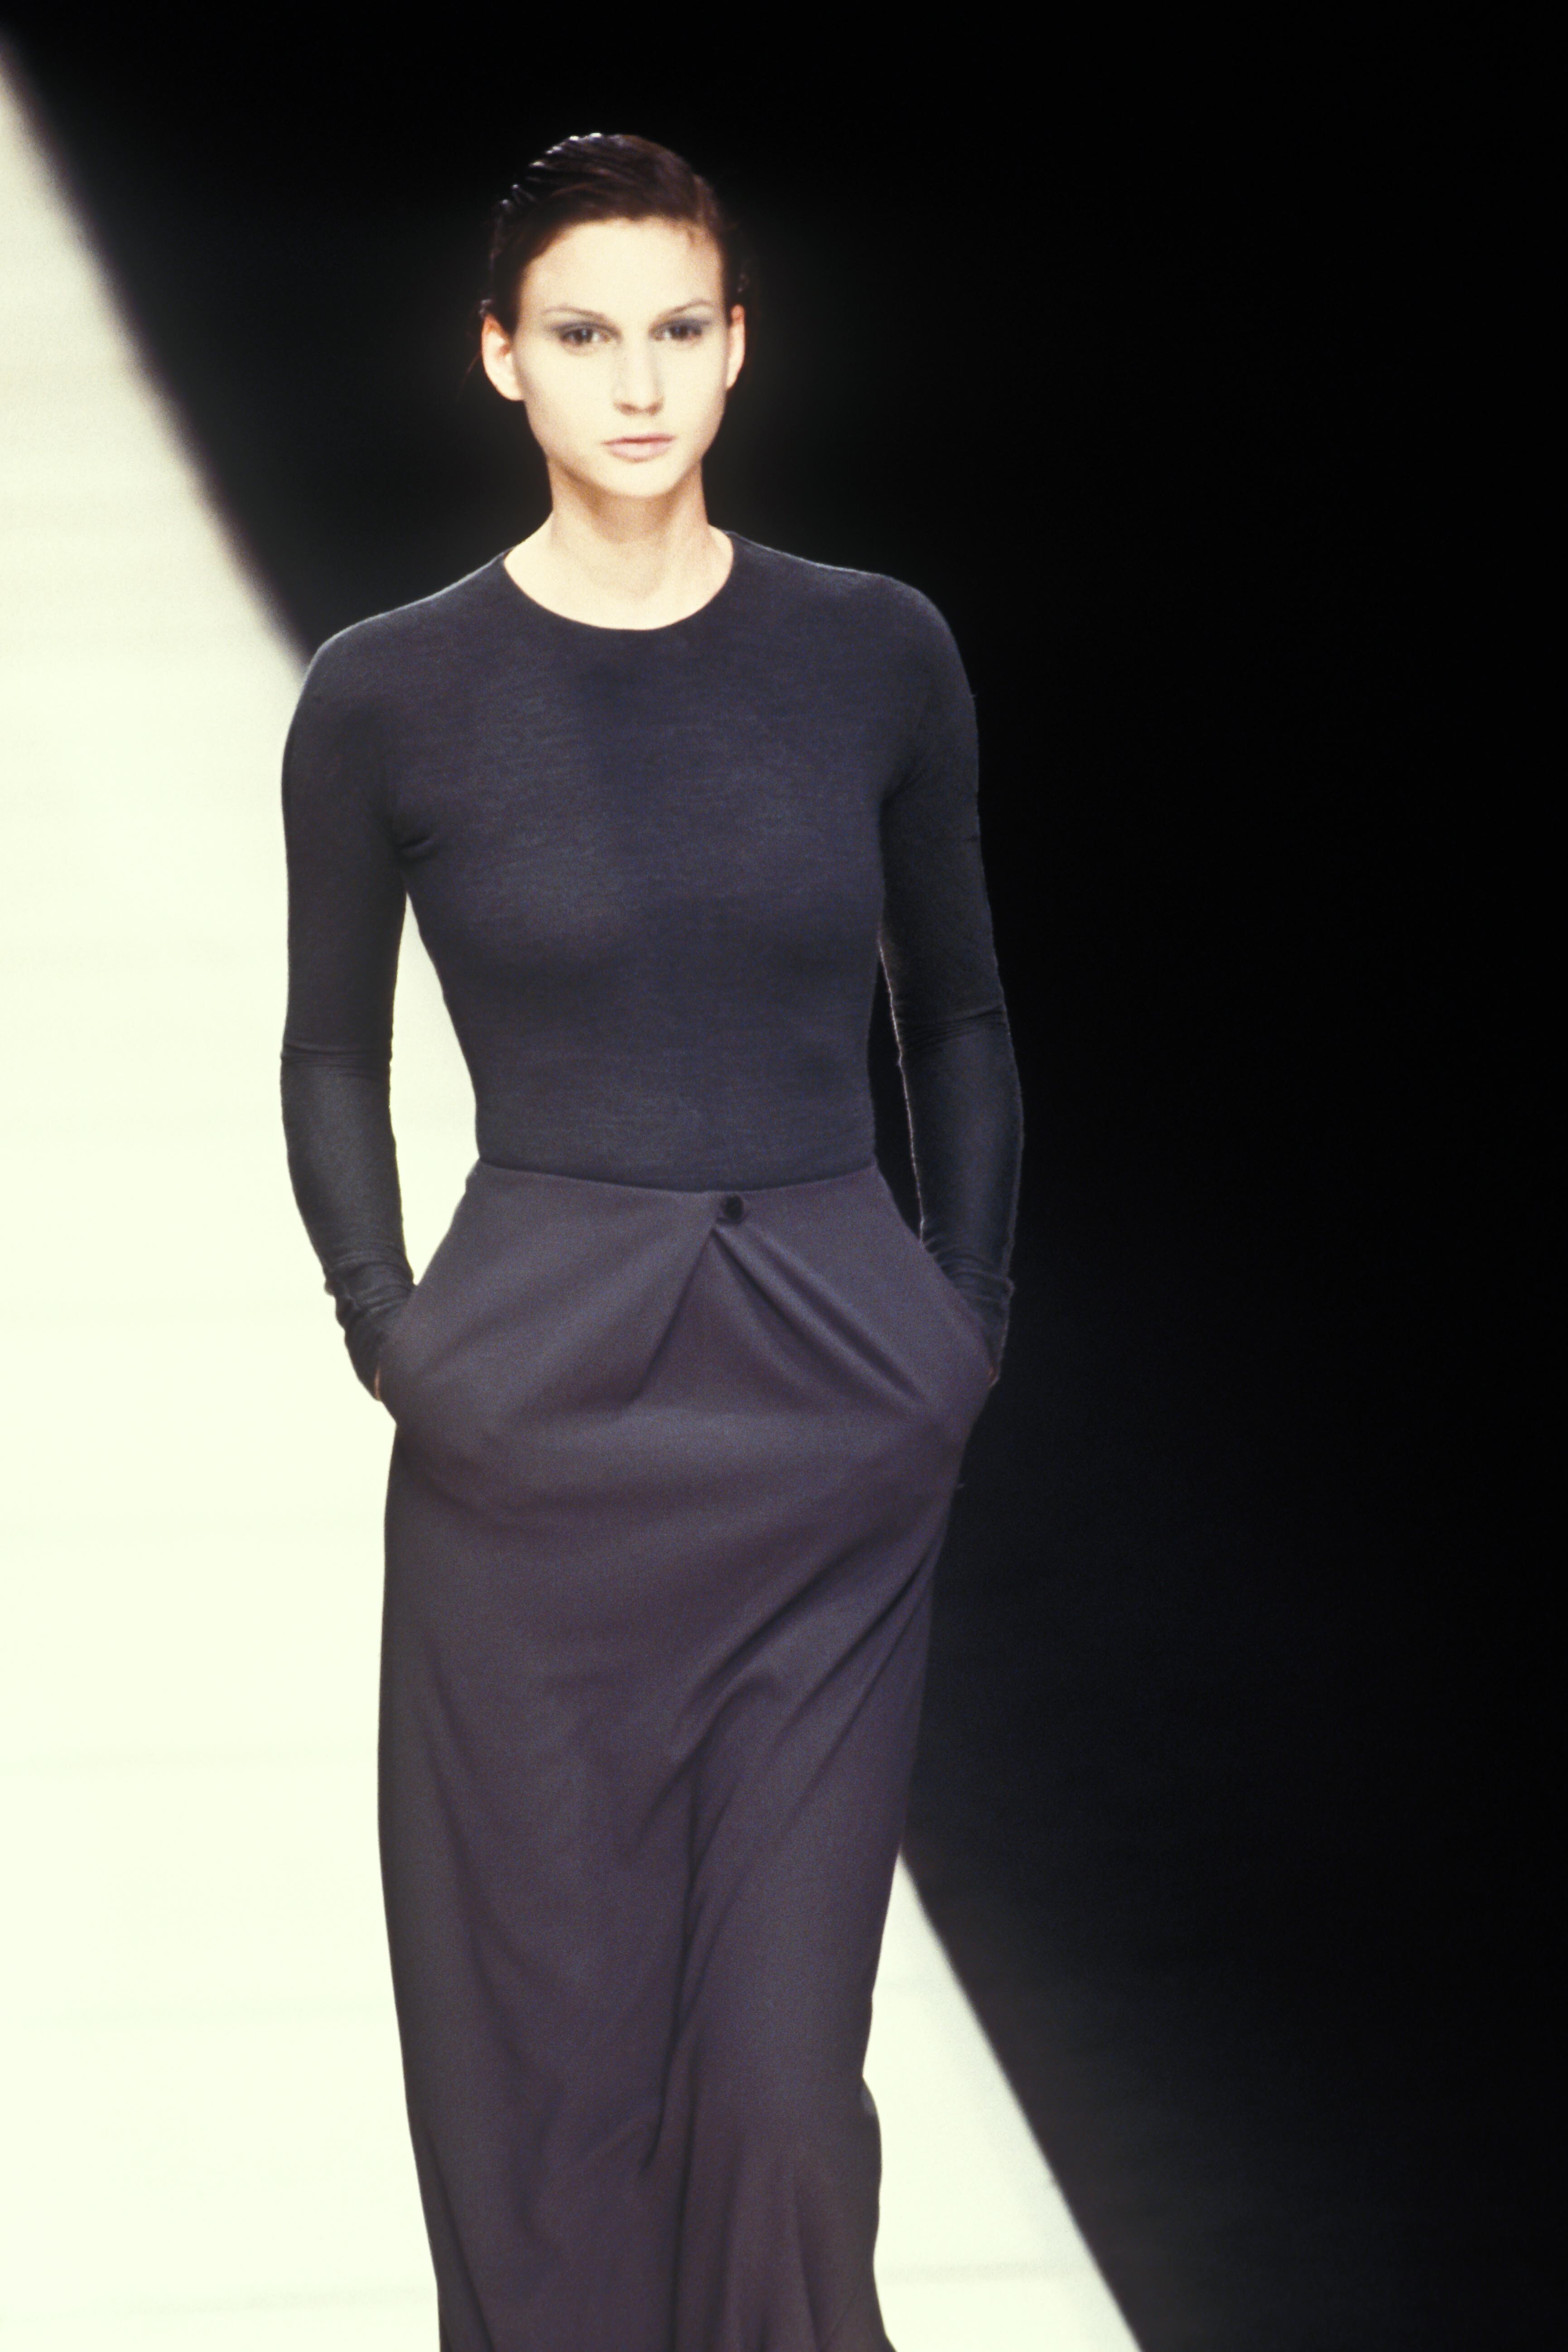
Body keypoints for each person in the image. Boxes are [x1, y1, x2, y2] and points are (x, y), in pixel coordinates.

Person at [280, 131, 1022, 2352]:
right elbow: (328, 1046)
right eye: (583, 333)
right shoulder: (391, 692)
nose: (636, 380)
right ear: (498, 357)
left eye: (677, 328)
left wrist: (956, 1322)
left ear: (736, 345)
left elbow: (957, 1010)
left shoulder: (873, 654)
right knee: (545, 2097)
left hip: (825, 1429)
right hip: (533, 1438)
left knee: (780, 2103)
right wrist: (396, 1333)